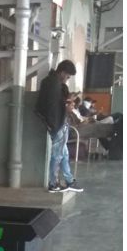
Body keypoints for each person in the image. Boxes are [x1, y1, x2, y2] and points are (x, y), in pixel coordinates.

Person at [35, 60, 82, 193]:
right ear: (62, 72)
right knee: (57, 155)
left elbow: (53, 104)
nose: (67, 80)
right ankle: (53, 183)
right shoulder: (54, 84)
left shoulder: (51, 82)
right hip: (58, 124)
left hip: (57, 123)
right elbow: (53, 106)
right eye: (67, 77)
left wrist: (66, 101)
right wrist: (66, 107)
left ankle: (69, 180)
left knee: (64, 154)